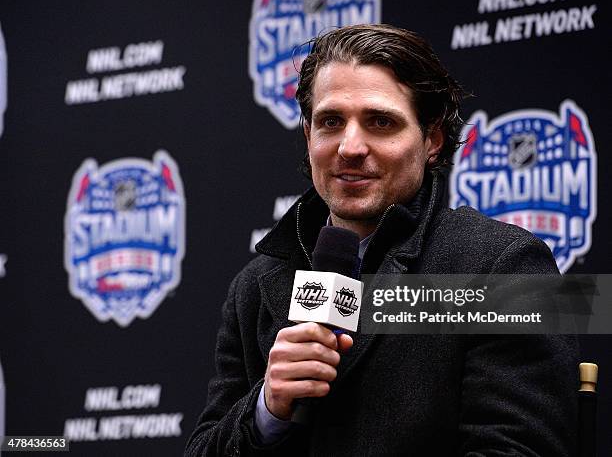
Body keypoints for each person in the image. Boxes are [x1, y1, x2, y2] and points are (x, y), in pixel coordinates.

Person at [185, 24, 577, 456]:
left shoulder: (506, 266)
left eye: (380, 122)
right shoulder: (254, 286)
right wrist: (266, 410)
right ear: (308, 136)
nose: (350, 147)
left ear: (431, 140)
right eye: (331, 121)